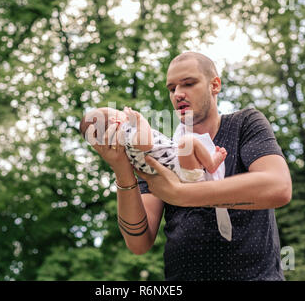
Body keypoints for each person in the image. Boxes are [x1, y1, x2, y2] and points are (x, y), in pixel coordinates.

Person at [86, 51, 292, 280]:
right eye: (172, 88)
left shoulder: (245, 123)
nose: (178, 94)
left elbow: (278, 187)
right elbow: (138, 243)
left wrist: (182, 194)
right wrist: (122, 170)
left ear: (215, 85)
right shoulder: (159, 153)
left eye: (189, 84)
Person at [79, 106, 231, 240]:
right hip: (182, 172)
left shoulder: (122, 147)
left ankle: (206, 164)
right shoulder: (127, 133)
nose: (125, 112)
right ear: (115, 121)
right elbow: (146, 143)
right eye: (119, 112)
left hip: (180, 173)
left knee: (186, 144)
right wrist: (140, 120)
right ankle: (211, 164)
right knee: (188, 142)